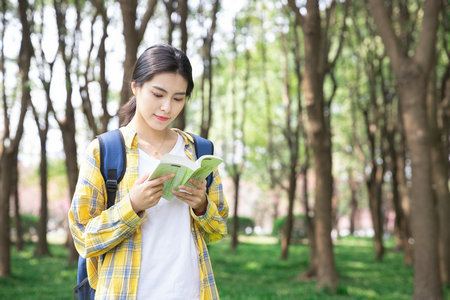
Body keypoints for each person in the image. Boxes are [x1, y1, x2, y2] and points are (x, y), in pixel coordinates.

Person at [68, 44, 228, 300]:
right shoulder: (105, 150)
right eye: (158, 94)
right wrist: (132, 205)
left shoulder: (198, 150)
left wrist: (201, 206)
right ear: (136, 87)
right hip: (125, 292)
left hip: (190, 291)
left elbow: (218, 230)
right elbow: (84, 238)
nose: (167, 107)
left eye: (178, 98)